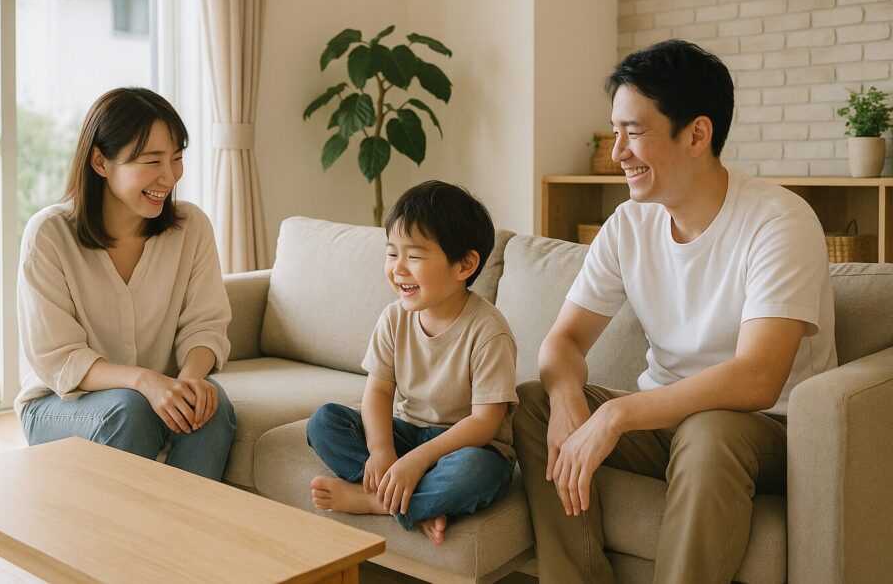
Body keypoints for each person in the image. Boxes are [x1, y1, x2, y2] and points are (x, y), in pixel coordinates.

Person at [514, 40, 836, 583]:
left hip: (766, 430)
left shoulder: (779, 221)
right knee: (535, 402)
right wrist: (568, 398)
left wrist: (616, 415)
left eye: (633, 132)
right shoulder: (627, 225)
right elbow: (562, 342)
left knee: (709, 431)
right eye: (615, 132)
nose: (618, 153)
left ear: (696, 134)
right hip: (667, 422)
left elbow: (758, 377)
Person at [14, 87, 236, 480]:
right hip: (60, 404)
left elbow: (206, 324)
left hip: (150, 398)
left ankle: (181, 521)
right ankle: (119, 524)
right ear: (100, 161)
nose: (169, 176)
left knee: (212, 408)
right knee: (130, 409)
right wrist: (145, 381)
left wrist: (189, 381)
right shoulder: (49, 235)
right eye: (152, 161)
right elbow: (60, 358)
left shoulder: (191, 227)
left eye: (177, 158)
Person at [305, 180, 518, 546]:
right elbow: (378, 391)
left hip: (466, 447)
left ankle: (377, 502)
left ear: (464, 265)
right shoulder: (394, 318)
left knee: (477, 473)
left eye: (414, 256)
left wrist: (416, 461)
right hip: (409, 431)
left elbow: (484, 423)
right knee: (325, 421)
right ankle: (412, 499)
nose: (398, 269)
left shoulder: (488, 331)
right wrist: (382, 451)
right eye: (392, 254)